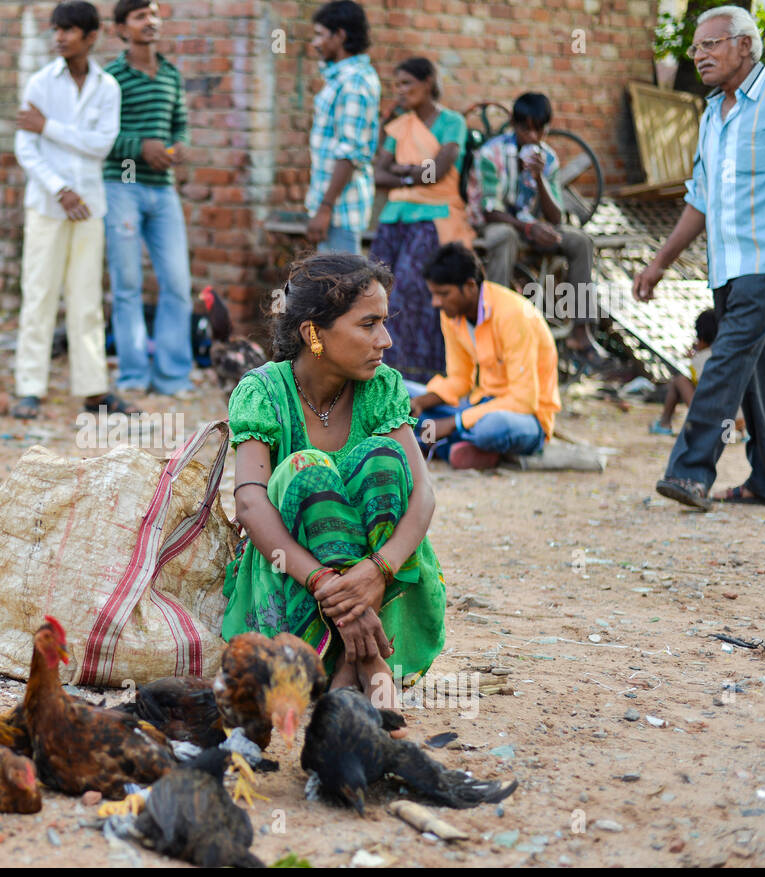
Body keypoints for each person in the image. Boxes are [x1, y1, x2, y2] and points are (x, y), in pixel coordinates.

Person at [223, 254, 445, 711]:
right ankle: (359, 659)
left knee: (384, 459)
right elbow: (249, 503)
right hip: (296, 580)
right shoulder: (262, 391)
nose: (385, 340)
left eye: (384, 322)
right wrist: (328, 584)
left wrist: (376, 570)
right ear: (313, 334)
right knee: (307, 468)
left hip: (378, 581)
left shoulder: (380, 388)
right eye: (368, 324)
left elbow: (423, 493)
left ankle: (353, 659)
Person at [635, 7, 765, 509]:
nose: (699, 56)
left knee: (724, 361)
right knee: (758, 374)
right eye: (695, 48)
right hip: (727, 267)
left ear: (744, 44)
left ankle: (690, 471)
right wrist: (659, 264)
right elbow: (699, 201)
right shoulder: (712, 116)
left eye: (710, 45)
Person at [11, 2, 134, 420]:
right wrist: (59, 188)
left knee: (85, 300)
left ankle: (93, 389)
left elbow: (101, 145)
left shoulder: (107, 87)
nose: (60, 37)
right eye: (56, 30)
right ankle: (29, 388)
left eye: (69, 30)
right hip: (48, 204)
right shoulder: (40, 83)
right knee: (39, 294)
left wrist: (48, 127)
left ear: (91, 36)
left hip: (90, 208)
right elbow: (24, 148)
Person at [101, 0, 194, 398]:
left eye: (154, 14)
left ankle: (173, 376)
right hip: (120, 187)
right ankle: (133, 375)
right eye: (140, 16)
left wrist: (179, 148)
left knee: (177, 283)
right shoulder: (110, 78)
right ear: (121, 29)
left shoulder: (171, 74)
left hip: (162, 189)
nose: (150, 21)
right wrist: (141, 146)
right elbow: (99, 136)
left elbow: (180, 126)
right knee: (127, 283)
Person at [467, 92, 601, 363]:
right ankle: (495, 329)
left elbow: (555, 218)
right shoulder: (491, 154)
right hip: (497, 223)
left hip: (530, 224)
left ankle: (580, 330)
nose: (533, 137)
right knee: (504, 237)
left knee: (580, 241)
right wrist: (529, 229)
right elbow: (491, 211)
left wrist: (539, 178)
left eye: (540, 130)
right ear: (515, 126)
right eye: (526, 129)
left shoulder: (548, 158)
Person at [408, 242, 560, 470]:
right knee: (399, 393)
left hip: (526, 418)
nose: (436, 302)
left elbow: (523, 400)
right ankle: (454, 447)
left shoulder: (514, 315)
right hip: (479, 405)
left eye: (443, 294)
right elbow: (460, 380)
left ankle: (441, 443)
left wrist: (454, 422)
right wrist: (421, 402)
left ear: (469, 286)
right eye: (433, 294)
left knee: (490, 429)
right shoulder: (451, 316)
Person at [371, 57, 473, 381]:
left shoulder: (452, 122)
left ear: (428, 83)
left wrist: (399, 171)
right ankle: (378, 369)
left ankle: (416, 375)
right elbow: (377, 174)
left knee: (411, 290)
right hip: (395, 216)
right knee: (375, 287)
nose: (400, 92)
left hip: (436, 215)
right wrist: (408, 175)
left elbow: (438, 171)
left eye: (406, 84)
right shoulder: (399, 126)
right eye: (396, 86)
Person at [305, 1, 379, 255]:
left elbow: (349, 152)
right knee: (331, 291)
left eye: (320, 35)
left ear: (340, 35)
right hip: (332, 210)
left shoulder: (355, 82)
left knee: (343, 292)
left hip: (340, 211)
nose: (315, 43)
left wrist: (325, 208)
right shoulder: (341, 78)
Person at [650, 309, 745, 440]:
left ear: (700, 336)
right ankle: (742, 430)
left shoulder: (702, 358)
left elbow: (705, 388)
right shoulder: (730, 354)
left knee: (679, 380)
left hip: (715, 422)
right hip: (738, 421)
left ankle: (664, 423)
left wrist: (694, 358)